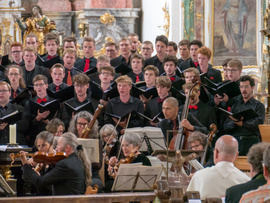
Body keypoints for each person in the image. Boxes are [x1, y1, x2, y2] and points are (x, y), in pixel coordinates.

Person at [20, 132, 91, 195]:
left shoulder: (64, 165)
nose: (56, 149)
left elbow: (40, 181)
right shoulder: (79, 160)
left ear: (67, 148)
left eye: (58, 145)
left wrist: (25, 165)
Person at [187, 135, 250, 200]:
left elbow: (190, 200)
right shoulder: (246, 181)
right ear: (236, 155)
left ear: (216, 152)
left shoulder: (199, 176)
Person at [223, 75, 265, 156]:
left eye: (246, 87)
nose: (243, 90)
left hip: (252, 141)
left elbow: (259, 124)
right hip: (236, 141)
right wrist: (234, 122)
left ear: (252, 87)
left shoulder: (259, 106)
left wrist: (242, 124)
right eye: (241, 87)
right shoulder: (235, 106)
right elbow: (226, 125)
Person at [68, 111, 103, 192]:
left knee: (93, 184)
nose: (82, 127)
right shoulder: (70, 141)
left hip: (92, 176)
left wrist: (84, 161)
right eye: (79, 124)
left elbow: (98, 165)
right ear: (75, 125)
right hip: (73, 175)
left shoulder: (96, 141)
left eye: (85, 124)